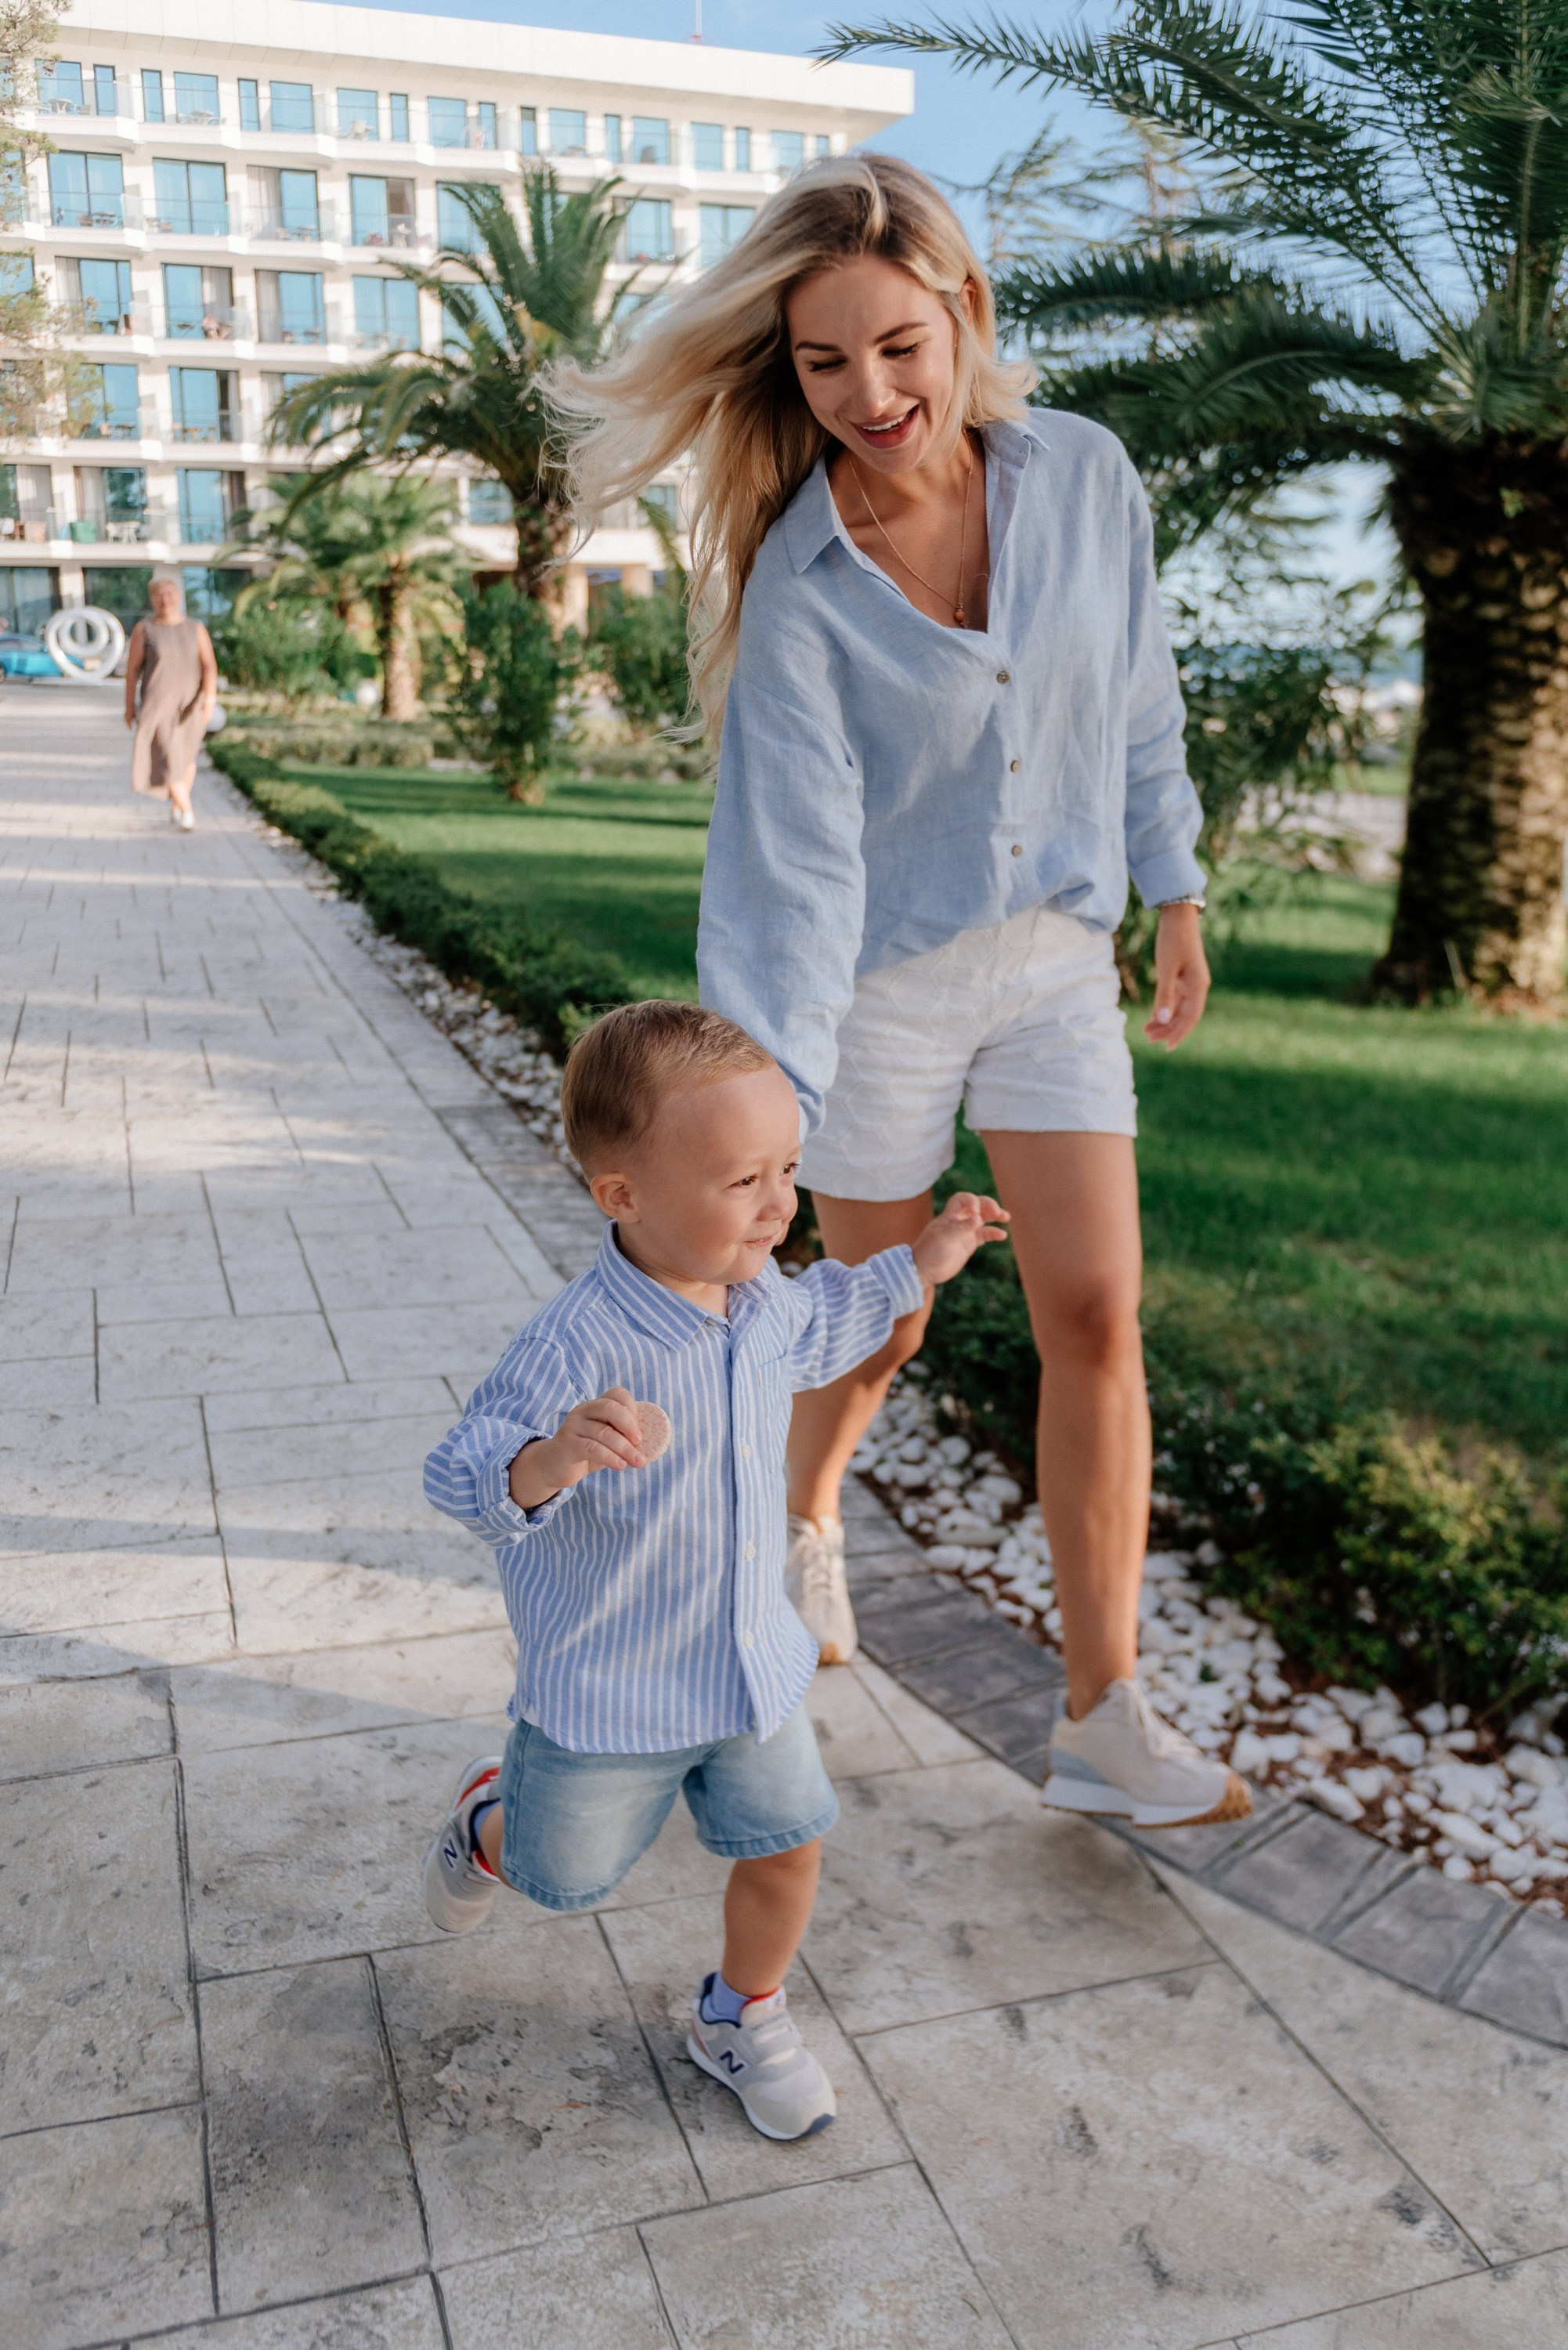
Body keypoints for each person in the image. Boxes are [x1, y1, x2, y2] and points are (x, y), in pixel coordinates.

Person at [552, 154, 1249, 1833]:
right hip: (875, 996)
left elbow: (1137, 692)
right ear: (787, 373)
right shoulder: (801, 581)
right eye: (820, 363)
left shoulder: (1083, 477)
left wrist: (1173, 882)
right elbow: (790, 864)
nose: (867, 394)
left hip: (1052, 969)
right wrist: (761, 1097)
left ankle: (1099, 1716)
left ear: (962, 313)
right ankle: (800, 1520)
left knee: (1093, 1315)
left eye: (895, 345)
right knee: (880, 1322)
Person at [421, 1000, 1006, 2141]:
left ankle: (739, 2011)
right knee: (559, 1876)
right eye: (745, 1182)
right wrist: (547, 1460)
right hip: (610, 1691)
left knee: (789, 1845)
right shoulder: (578, 1344)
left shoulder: (760, 1298)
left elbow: (829, 1317)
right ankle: (488, 1818)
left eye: (787, 1169)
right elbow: (458, 1471)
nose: (782, 1204)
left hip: (749, 1671)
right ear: (623, 1197)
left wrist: (918, 1263)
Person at [125, 575, 218, 831]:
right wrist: (129, 705)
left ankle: (177, 805)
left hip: (191, 703)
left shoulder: (196, 628)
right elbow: (132, 670)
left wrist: (210, 698)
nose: (165, 600)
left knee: (186, 758)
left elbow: (209, 666)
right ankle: (187, 810)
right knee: (167, 755)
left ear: (178, 597)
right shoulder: (144, 630)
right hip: (158, 704)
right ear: (152, 599)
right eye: (158, 595)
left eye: (169, 594)